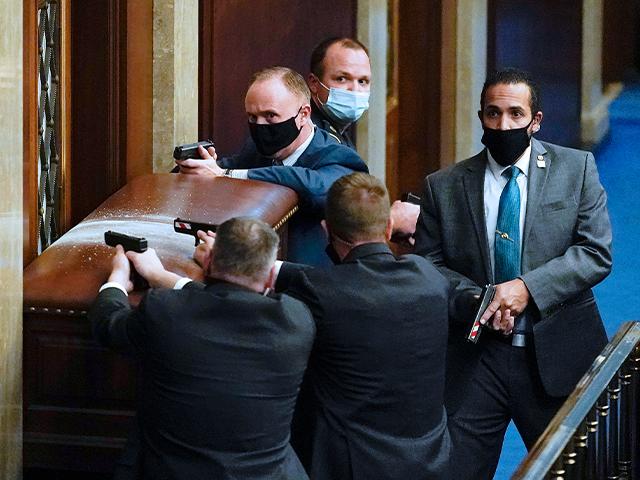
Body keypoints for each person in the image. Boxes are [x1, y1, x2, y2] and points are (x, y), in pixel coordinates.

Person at [414, 68, 612, 479]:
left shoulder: (576, 169)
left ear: (535, 121)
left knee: (578, 470)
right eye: (493, 114)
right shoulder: (443, 185)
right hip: (476, 360)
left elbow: (595, 252)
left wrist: (527, 288)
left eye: (515, 114)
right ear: (481, 117)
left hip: (556, 354)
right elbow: (429, 266)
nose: (503, 125)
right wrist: (479, 300)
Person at [88, 217, 315, 480]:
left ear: (208, 262)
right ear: (268, 280)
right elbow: (232, 303)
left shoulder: (165, 311)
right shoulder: (296, 320)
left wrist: (117, 281)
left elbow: (110, 326)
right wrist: (162, 277)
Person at [274, 173, 451, 479]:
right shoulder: (431, 278)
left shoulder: (318, 292)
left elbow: (330, 286)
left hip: (351, 466)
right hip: (429, 462)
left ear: (326, 229)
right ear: (388, 228)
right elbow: (358, 285)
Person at [176, 66, 368, 267]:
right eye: (252, 117)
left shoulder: (340, 157)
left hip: (309, 282)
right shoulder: (257, 149)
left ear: (304, 114)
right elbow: (221, 168)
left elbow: (314, 187)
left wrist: (225, 174)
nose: (260, 126)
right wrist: (196, 167)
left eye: (270, 116)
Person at [306, 37, 371, 148]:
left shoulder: (338, 133)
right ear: (314, 83)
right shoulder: (307, 136)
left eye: (362, 81)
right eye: (342, 79)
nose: (355, 89)